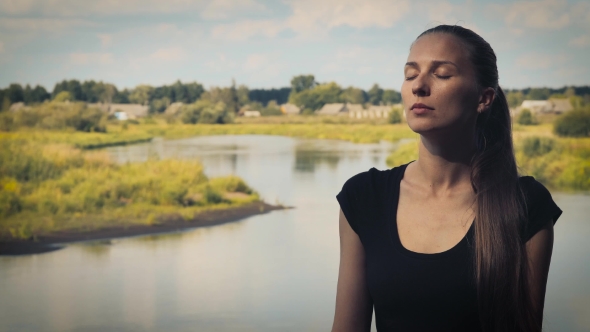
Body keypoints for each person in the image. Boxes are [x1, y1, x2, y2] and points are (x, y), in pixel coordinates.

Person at [331, 25, 562, 332]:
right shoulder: (364, 197)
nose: (419, 86)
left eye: (441, 74)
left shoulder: (525, 203)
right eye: (410, 74)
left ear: (484, 98)